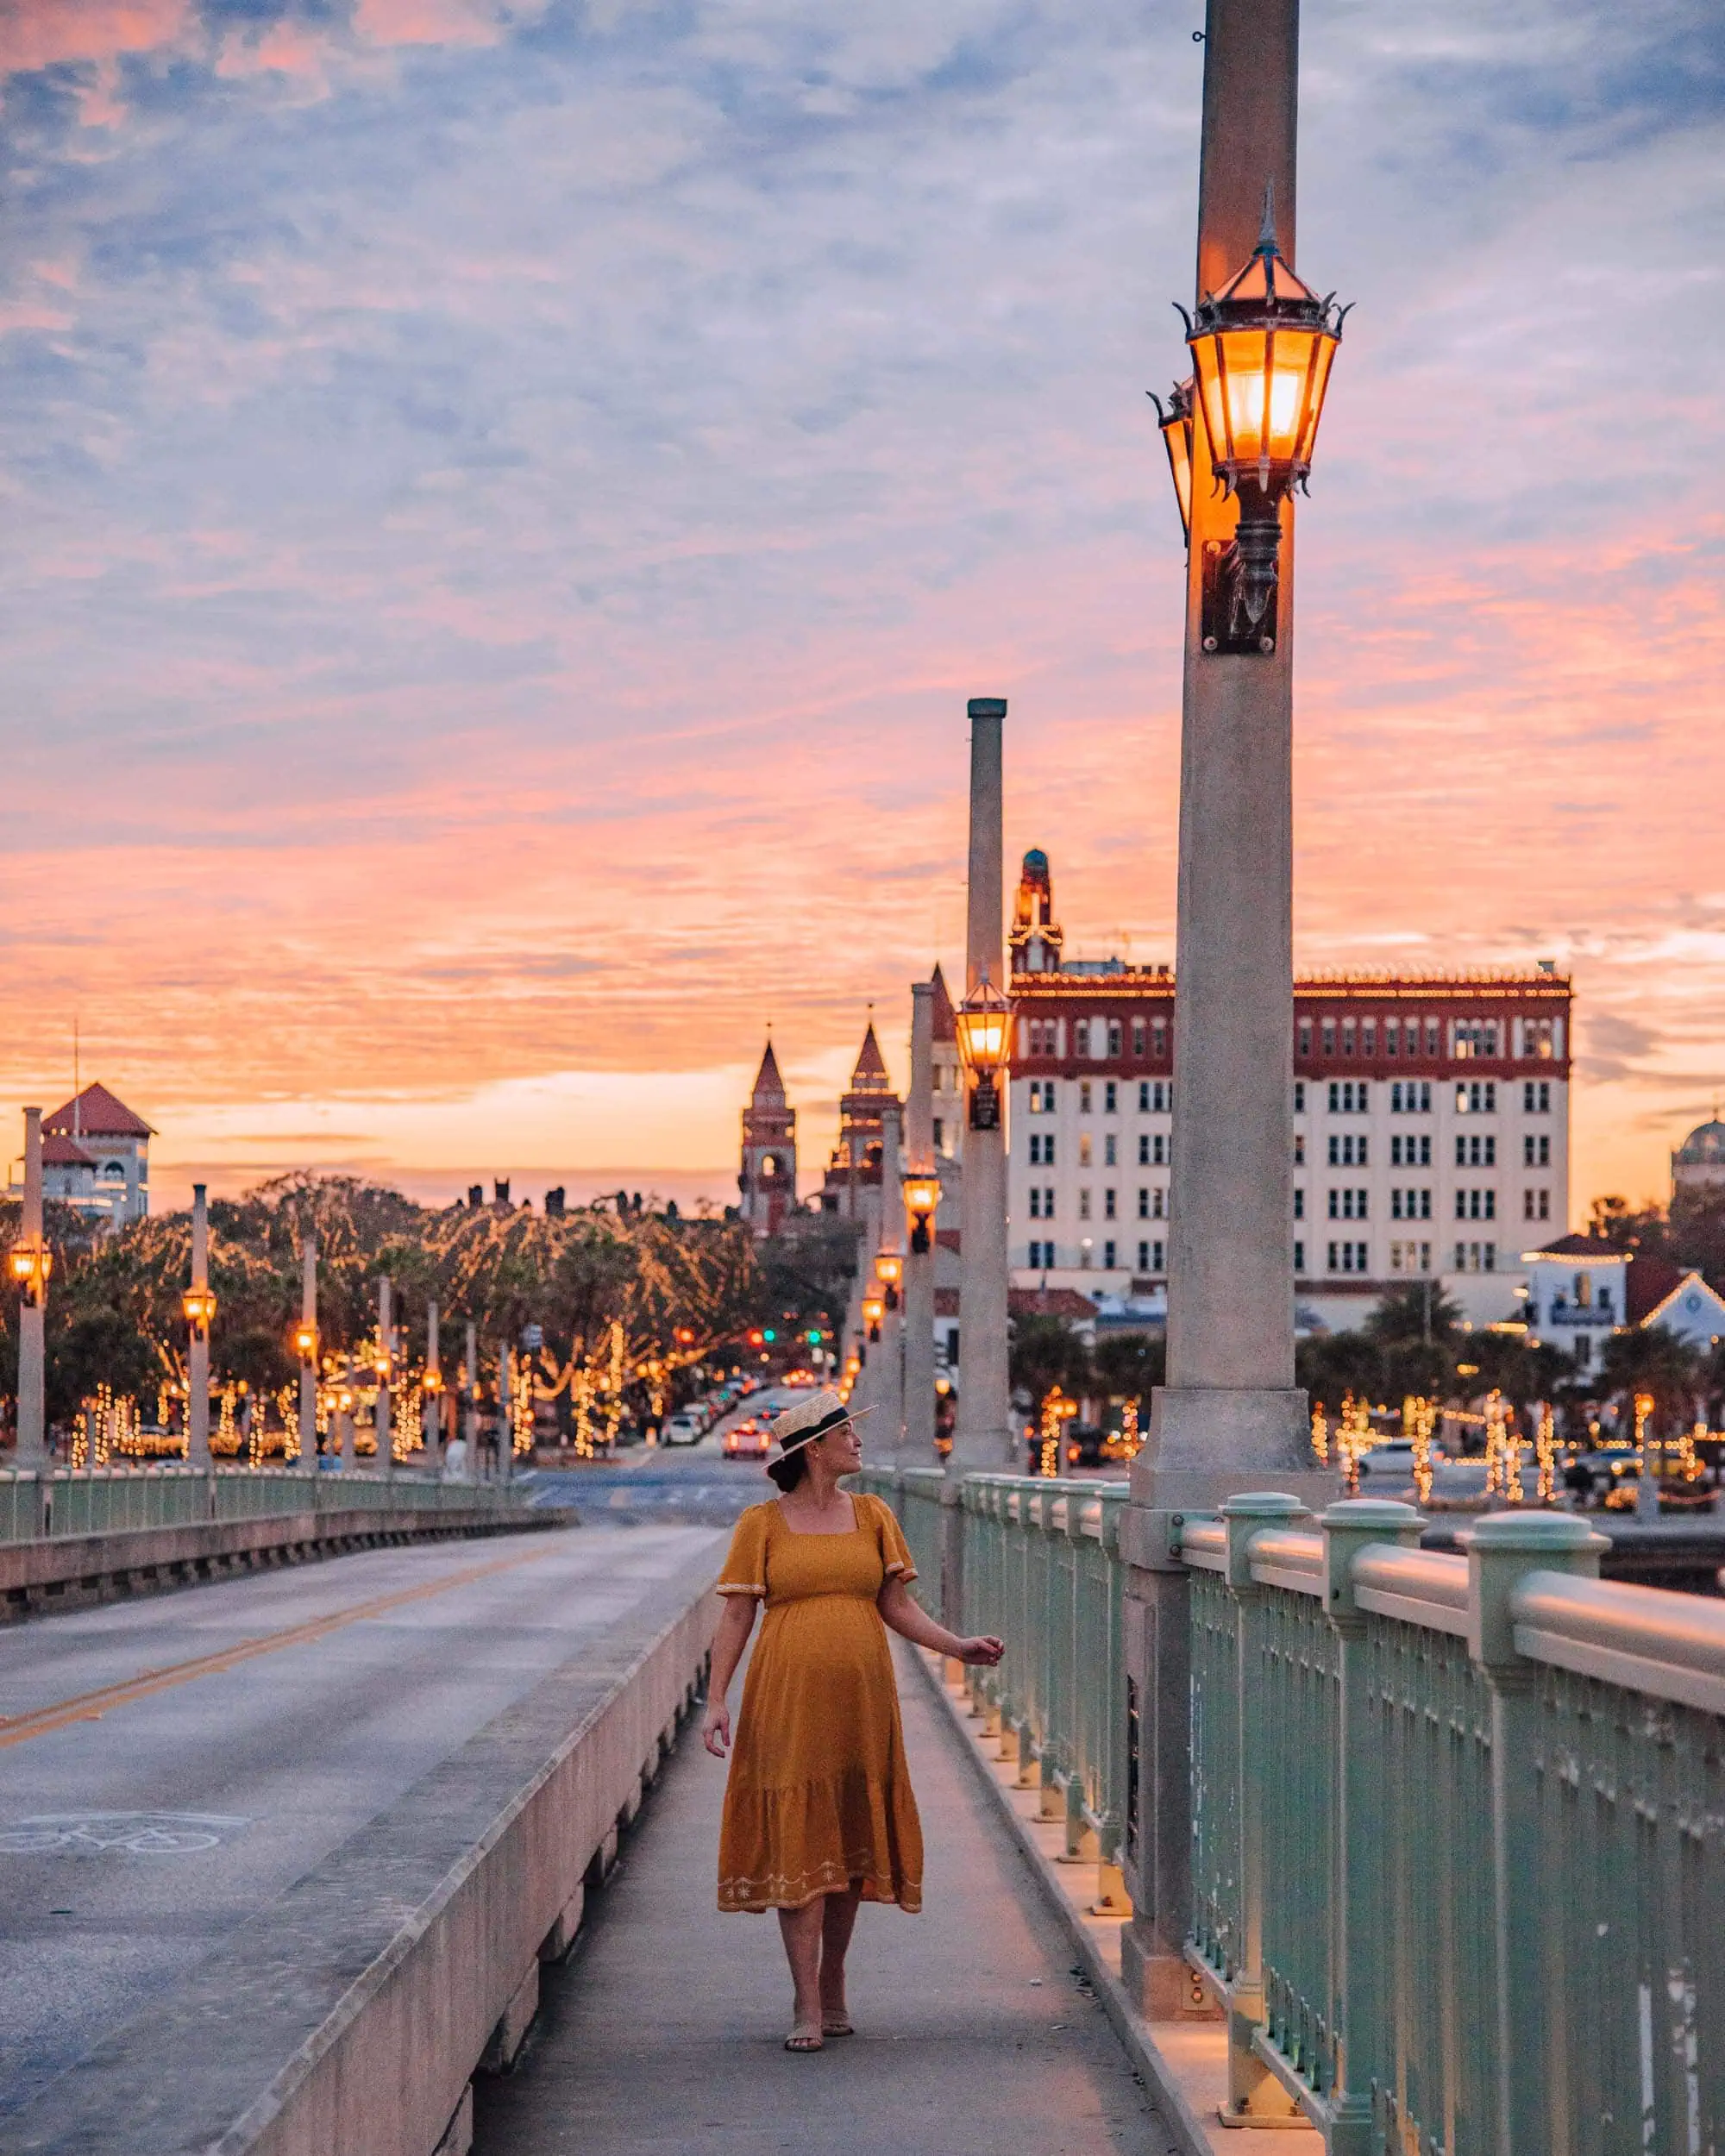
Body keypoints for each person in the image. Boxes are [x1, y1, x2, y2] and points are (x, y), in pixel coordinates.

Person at [702, 1388, 1003, 2053]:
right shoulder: (763, 1525)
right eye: (847, 1433)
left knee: (843, 1843)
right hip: (787, 1700)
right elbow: (735, 1616)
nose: (858, 1442)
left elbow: (896, 1606)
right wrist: (718, 1698)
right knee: (800, 1843)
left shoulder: (872, 1516)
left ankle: (833, 1979)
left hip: (862, 1703)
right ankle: (806, 2002)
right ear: (814, 1448)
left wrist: (957, 1646)